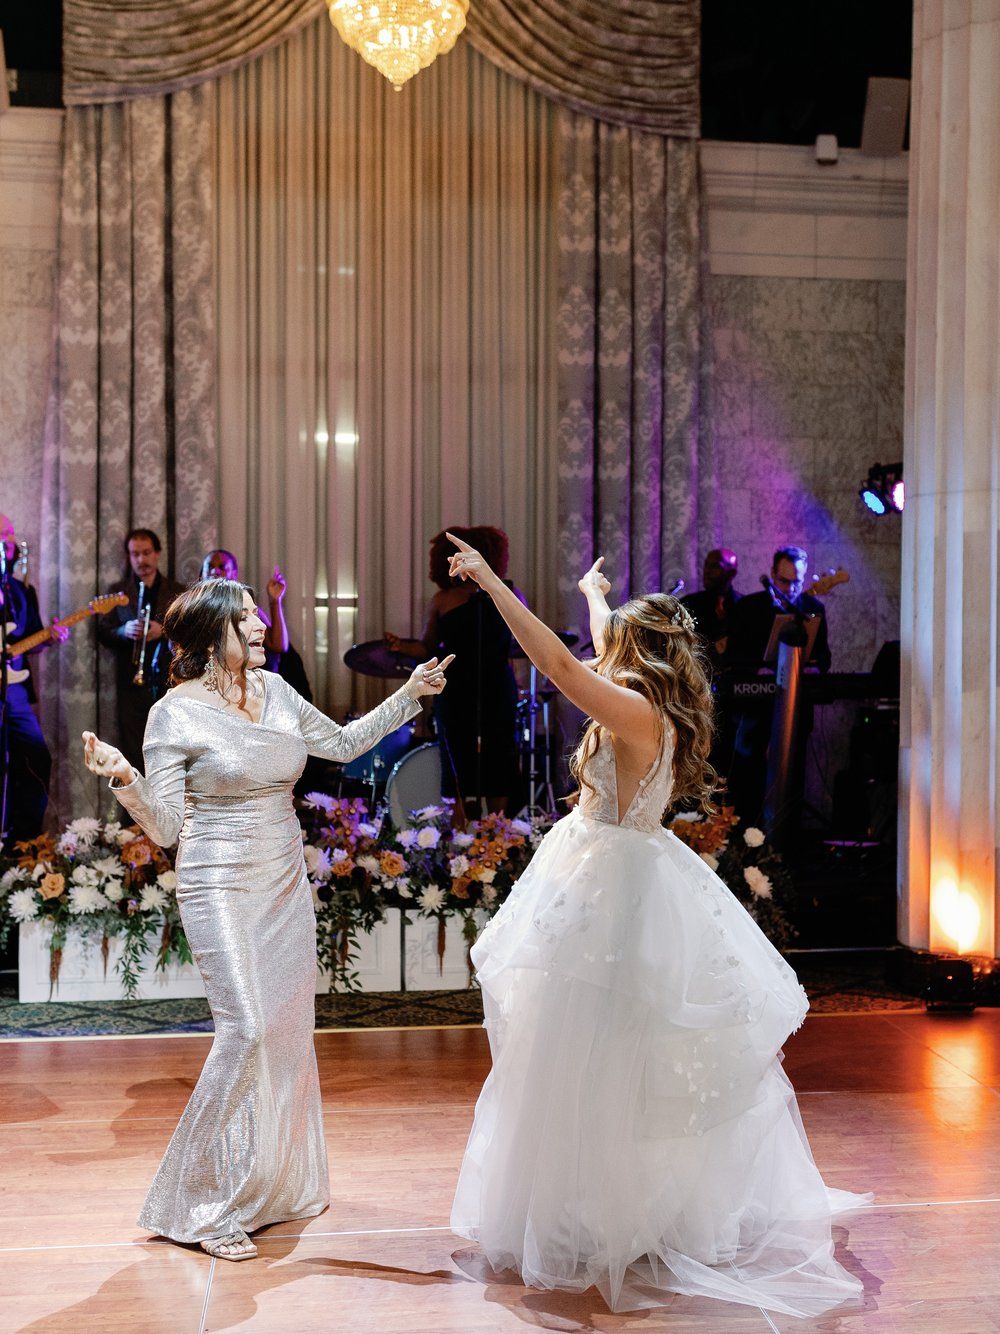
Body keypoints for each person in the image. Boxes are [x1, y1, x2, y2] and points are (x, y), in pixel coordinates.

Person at [446, 536, 867, 1318]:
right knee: (590, 1052)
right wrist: (591, 593)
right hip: (612, 872)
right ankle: (601, 1205)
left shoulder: (635, 711)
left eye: (617, 638)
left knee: (605, 1054)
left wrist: (493, 585)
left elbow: (563, 669)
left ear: (639, 653)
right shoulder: (649, 693)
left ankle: (617, 1216)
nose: (605, 647)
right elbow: (598, 640)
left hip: (615, 891)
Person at [82, 579, 452, 1261]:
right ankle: (193, 1204)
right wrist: (122, 776)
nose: (259, 625)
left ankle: (269, 1186)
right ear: (209, 636)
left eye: (256, 615)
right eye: (246, 617)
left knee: (283, 1036)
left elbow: (340, 744)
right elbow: (165, 829)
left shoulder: (276, 691)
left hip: (283, 880)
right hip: (217, 879)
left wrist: (410, 696)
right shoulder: (173, 715)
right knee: (246, 1031)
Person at [385, 525, 522, 814]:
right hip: (456, 688)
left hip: (496, 685)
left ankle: (498, 829)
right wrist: (400, 647)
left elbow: (524, 632)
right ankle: (460, 829)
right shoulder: (442, 600)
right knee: (456, 754)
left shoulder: (505, 591)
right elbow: (427, 646)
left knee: (499, 753)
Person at [724, 545, 831, 822]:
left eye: (797, 582)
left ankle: (786, 835)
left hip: (796, 703)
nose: (791, 588)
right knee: (750, 770)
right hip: (753, 705)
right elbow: (733, 656)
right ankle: (747, 832)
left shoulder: (812, 610)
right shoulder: (749, 607)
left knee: (792, 770)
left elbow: (824, 656)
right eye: (784, 581)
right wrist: (758, 669)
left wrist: (815, 666)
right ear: (772, 575)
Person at [0, 514, 69, 850]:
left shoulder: (20, 590)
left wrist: (50, 638)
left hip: (12, 691)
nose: (10, 542)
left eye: (11, 535)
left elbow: (30, 640)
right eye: (3, 535)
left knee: (36, 756)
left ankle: (22, 840)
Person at [97, 529, 185, 771]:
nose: (141, 560)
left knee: (170, 747)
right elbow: (102, 631)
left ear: (157, 554)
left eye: (146, 553)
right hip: (130, 684)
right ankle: (135, 807)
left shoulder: (177, 590)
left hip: (170, 683)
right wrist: (123, 630)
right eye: (135, 554)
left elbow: (189, 632)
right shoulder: (118, 592)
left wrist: (164, 631)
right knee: (133, 749)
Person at [681, 546, 740, 670]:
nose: (707, 571)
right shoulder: (689, 603)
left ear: (731, 573)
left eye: (715, 566)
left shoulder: (743, 605)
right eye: (706, 565)